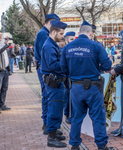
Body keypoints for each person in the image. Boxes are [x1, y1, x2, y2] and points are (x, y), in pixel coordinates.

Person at [60, 20, 114, 150]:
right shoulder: (95, 46)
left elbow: (63, 68)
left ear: (79, 33)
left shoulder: (68, 47)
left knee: (76, 118)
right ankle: (101, 146)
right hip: (93, 88)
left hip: (76, 88)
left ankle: (74, 145)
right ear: (91, 33)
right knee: (97, 117)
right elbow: (107, 66)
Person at [41, 20, 67, 148]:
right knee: (54, 109)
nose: (62, 36)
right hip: (54, 83)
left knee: (56, 109)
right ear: (54, 32)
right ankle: (51, 138)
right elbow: (53, 65)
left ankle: (54, 131)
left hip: (56, 82)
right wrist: (67, 65)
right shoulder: (49, 46)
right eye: (61, 34)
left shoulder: (52, 44)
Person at [34, 13, 60, 135]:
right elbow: (47, 55)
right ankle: (47, 125)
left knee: (48, 96)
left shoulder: (43, 33)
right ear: (50, 23)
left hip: (44, 69)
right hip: (46, 70)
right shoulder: (44, 34)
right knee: (48, 97)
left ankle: (49, 125)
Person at [63, 31, 76, 124]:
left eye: (74, 39)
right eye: (71, 39)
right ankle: (67, 115)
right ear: (66, 40)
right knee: (68, 97)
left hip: (75, 77)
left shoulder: (76, 49)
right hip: (68, 77)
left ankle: (73, 114)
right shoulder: (65, 50)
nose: (73, 41)